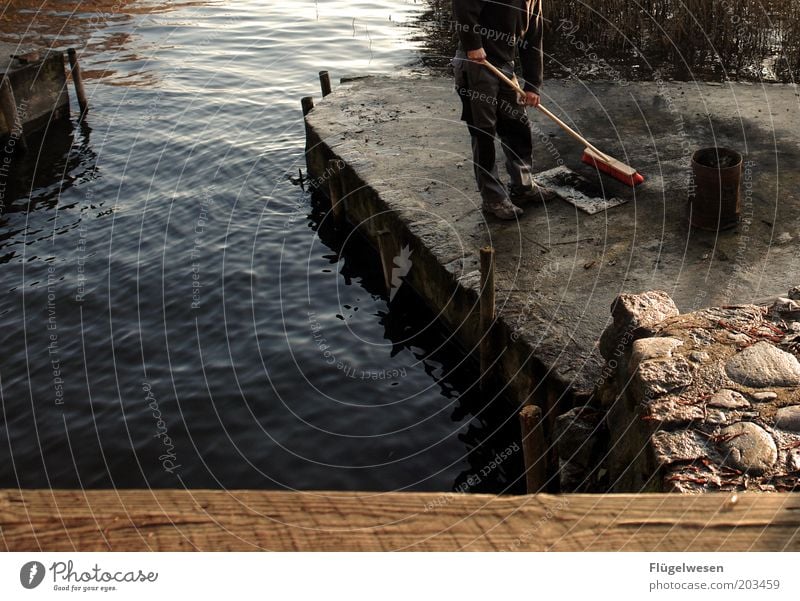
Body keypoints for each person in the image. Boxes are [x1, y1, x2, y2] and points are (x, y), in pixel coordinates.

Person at [452, 0, 544, 219]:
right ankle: (493, 198)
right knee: (483, 131)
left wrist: (532, 85)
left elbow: (534, 40)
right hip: (477, 63)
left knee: (517, 125)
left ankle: (523, 186)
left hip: (505, 66)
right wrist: (472, 44)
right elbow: (463, 6)